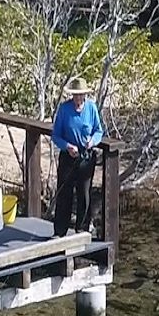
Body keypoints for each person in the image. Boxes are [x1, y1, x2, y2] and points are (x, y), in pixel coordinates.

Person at [50, 75, 105, 238]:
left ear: (85, 95)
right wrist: (67, 146)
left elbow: (99, 131)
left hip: (86, 157)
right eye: (76, 95)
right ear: (72, 95)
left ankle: (81, 229)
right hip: (68, 156)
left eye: (81, 95)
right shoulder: (64, 109)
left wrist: (92, 141)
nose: (78, 98)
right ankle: (60, 231)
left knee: (84, 193)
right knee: (64, 193)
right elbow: (56, 135)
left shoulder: (91, 108)